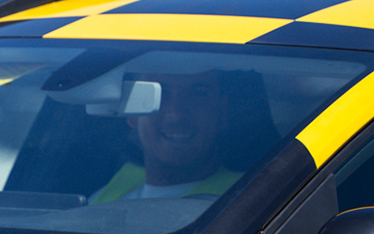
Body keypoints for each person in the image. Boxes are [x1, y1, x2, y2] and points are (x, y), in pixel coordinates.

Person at [90, 70, 259, 202]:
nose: (176, 115)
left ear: (222, 112)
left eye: (198, 94)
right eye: (159, 94)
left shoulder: (252, 198)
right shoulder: (110, 191)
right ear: (132, 113)